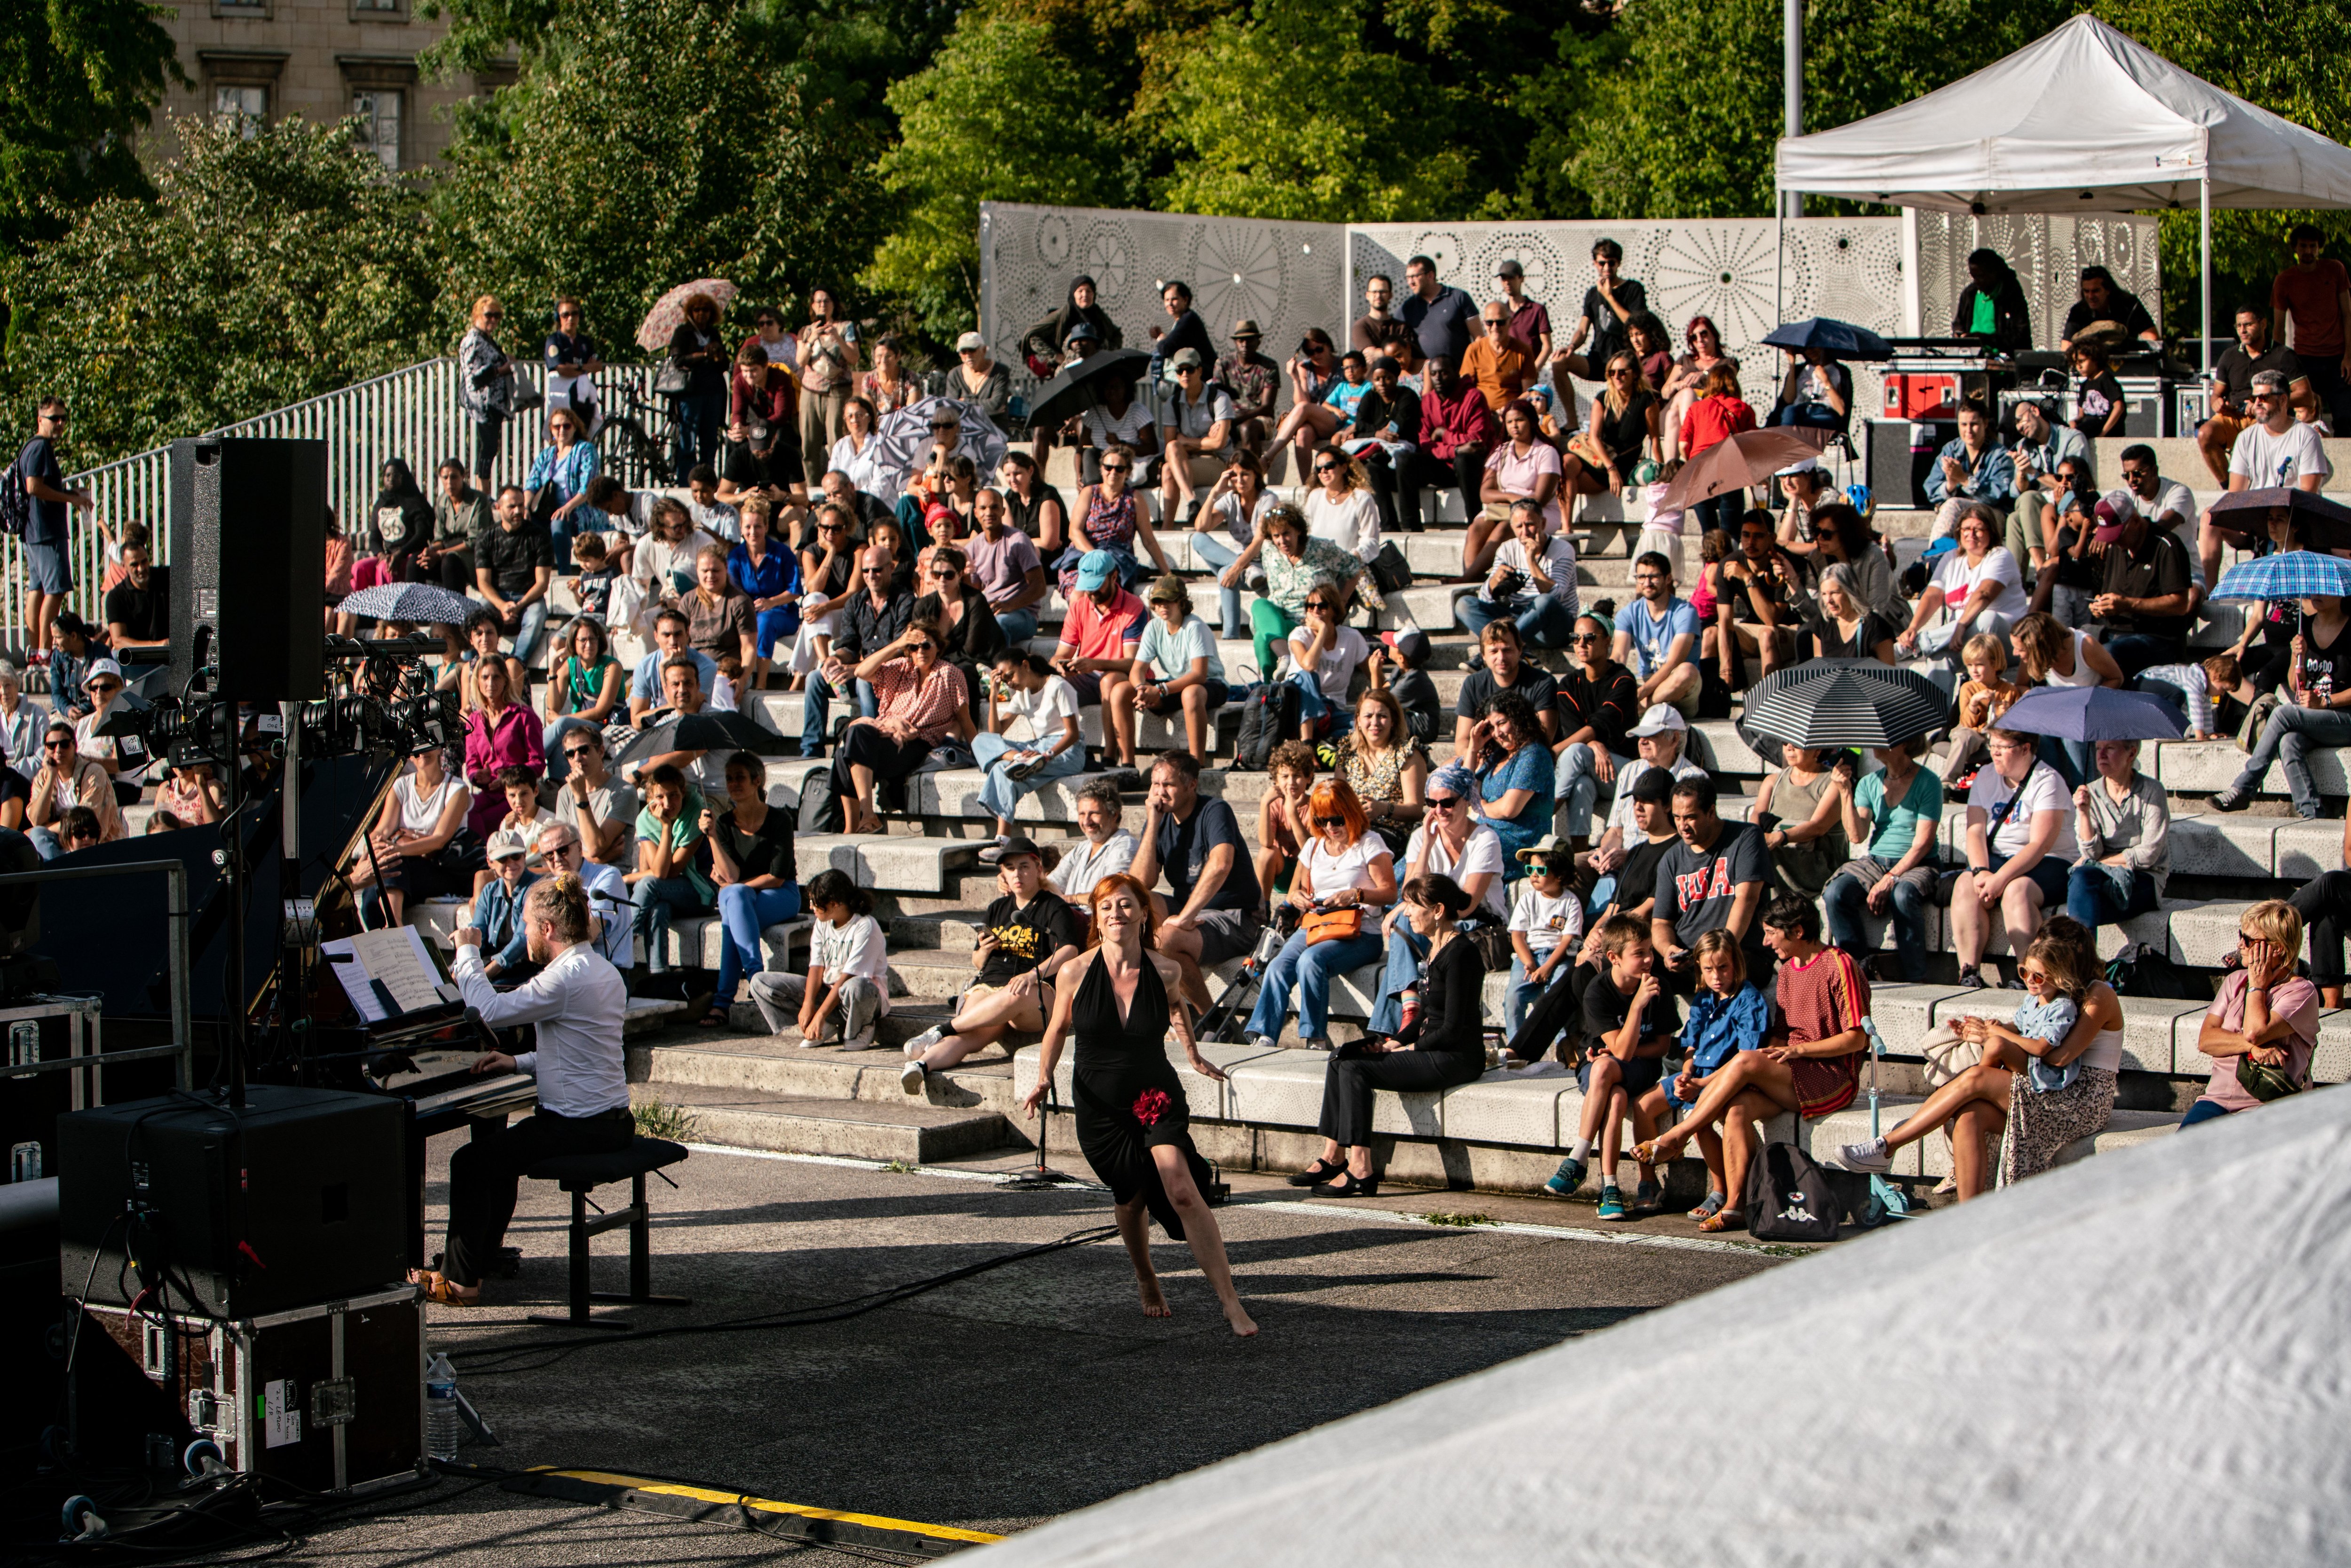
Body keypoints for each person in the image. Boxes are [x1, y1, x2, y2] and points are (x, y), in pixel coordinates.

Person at [1019, 873, 1255, 1335]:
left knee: (1181, 1186)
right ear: (1096, 916)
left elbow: (1175, 1009)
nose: (1116, 914)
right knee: (1129, 1201)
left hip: (1154, 1093)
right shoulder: (1074, 971)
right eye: (1106, 906)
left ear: (1143, 913)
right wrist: (1043, 1075)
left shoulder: (1164, 968)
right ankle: (1146, 1275)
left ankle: (1230, 1301)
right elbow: (1057, 1028)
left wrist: (1192, 1054)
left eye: (1125, 905)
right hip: (1100, 1107)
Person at [409, 875, 630, 1306]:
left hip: (578, 1127)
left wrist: (468, 948)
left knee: (470, 1161)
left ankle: (459, 1282)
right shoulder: (604, 971)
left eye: (526, 924)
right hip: (614, 1122)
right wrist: (518, 1062)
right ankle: (479, 1258)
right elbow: (580, 1055)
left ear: (547, 929)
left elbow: (487, 1009)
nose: (522, 933)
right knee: (498, 1157)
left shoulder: (563, 979)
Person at [1840, 917, 2121, 1196]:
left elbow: (2059, 1058)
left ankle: (1887, 1146)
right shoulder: (2052, 992)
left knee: (1977, 1075)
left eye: (2044, 953)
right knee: (1968, 1117)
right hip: (2046, 1088)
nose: (2036, 961)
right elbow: (2023, 1028)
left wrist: (1997, 1037)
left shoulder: (2099, 994)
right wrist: (1985, 1029)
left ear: (2066, 958)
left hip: (2080, 1101)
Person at [1630, 896, 1866, 1221]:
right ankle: (1734, 1206)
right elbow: (1782, 1033)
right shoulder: (1787, 971)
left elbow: (1858, 1037)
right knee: (1736, 1110)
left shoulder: (1839, 964)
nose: (1766, 942)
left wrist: (1796, 1051)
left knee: (1746, 1060)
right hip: (1791, 1074)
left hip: (1831, 1078)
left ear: (1797, 930)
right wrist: (1775, 1058)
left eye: (1772, 933)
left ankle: (1676, 1137)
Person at [1294, 873, 1490, 1199]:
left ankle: (1361, 1169)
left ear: (1438, 910)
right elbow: (1427, 1016)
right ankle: (1334, 1156)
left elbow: (1453, 1028)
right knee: (1342, 1057)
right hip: (1433, 1047)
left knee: (1356, 1069)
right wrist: (1395, 1041)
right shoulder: (1435, 949)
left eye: (1413, 905)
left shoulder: (1462, 954)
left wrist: (1412, 1046)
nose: (1407, 912)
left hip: (1456, 1058)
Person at [897, 835, 1082, 1092]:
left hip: (1036, 994)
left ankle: (940, 1030)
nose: (1017, 874)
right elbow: (977, 961)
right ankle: (920, 1066)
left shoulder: (1054, 906)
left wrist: (1033, 975)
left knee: (1016, 991)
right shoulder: (997, 908)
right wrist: (983, 952)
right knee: (969, 1037)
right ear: (1003, 874)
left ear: (1039, 869)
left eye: (1024, 866)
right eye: (1010, 868)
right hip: (990, 985)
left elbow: (1070, 949)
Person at [1243, 778, 1394, 1052]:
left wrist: (1356, 895)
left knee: (1311, 962)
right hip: (1317, 924)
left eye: (1336, 820)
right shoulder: (1314, 845)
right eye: (1322, 821)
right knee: (1278, 967)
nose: (1330, 828)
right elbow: (1292, 892)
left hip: (1360, 930)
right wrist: (1298, 898)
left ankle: (1315, 1038)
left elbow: (1389, 893)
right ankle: (1264, 1036)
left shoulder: (1370, 843)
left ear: (1350, 812)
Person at [1543, 914, 1677, 1214]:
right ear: (1614, 957)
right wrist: (1621, 1044)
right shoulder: (1598, 990)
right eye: (1639, 953)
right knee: (1615, 1098)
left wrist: (1639, 1007)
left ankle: (1578, 1159)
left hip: (1640, 1067)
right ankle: (1610, 1187)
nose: (1648, 960)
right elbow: (1619, 1049)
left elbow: (1658, 1047)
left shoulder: (1658, 987)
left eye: (1650, 951)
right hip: (1598, 1069)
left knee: (1607, 1067)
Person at [1362, 762, 1501, 1036]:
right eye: (1431, 803)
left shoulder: (1486, 839)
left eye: (1447, 802)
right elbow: (1410, 894)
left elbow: (1465, 906)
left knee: (1405, 918)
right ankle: (1409, 1012)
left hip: (1477, 926)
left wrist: (1407, 905)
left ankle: (1389, 1033)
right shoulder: (1421, 837)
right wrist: (1427, 844)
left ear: (1466, 801)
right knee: (1405, 919)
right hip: (1434, 923)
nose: (1439, 811)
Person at [1648, 929, 1776, 1226]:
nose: (1716, 976)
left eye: (1723, 968)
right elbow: (1691, 1046)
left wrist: (1701, 1085)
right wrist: (1687, 1073)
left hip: (1726, 1079)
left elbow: (1746, 1060)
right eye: (1708, 969)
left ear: (1737, 965)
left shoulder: (1749, 1000)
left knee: (1701, 1118)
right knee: (1645, 1104)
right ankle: (1648, 1184)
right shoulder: (1704, 999)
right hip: (1698, 1076)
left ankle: (1720, 1189)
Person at [1131, 749, 1262, 1012]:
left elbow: (1221, 865)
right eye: (1155, 785)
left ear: (1192, 784)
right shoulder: (1160, 818)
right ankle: (1150, 1011)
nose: (1160, 793)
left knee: (1165, 940)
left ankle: (1208, 1018)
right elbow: (1141, 881)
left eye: (1168, 785)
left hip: (1237, 916)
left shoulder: (1215, 810)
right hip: (1190, 909)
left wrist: (1184, 918)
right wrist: (1153, 823)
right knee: (1134, 903)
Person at [1952, 728, 2077, 988]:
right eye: (1992, 746)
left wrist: (2001, 879)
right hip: (1999, 858)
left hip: (2050, 861)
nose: (1994, 753)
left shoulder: (2048, 780)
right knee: (1965, 885)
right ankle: (1969, 972)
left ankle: (2030, 973)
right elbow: (1975, 831)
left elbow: (2040, 844)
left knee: (2016, 890)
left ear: (2025, 748)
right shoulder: (1986, 775)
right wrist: (1981, 872)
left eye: (2003, 747)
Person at [2210, 591, 2351, 817]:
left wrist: (2326, 701)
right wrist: (2299, 658)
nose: (2316, 594)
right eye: (2313, 589)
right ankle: (2312, 813)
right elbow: (2297, 687)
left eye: (2323, 590)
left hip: (2345, 717)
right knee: (2288, 742)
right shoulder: (2306, 628)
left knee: (2283, 714)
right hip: (2316, 717)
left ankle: (2244, 787)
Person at [2198, 369, 2332, 594]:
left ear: (2283, 400)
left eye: (2263, 398)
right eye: (2254, 398)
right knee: (2210, 516)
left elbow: (2308, 494)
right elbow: (2236, 495)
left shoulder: (2306, 435)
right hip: (2257, 519)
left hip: (2293, 518)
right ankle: (2210, 597)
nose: (2256, 403)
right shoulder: (2246, 438)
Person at [833, 621, 968, 836]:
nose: (921, 651)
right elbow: (861, 672)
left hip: (918, 742)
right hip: (884, 735)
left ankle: (863, 820)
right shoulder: (902, 668)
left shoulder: (950, 674)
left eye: (927, 645)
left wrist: (980, 751)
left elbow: (964, 718)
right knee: (850, 742)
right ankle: (858, 823)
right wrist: (898, 643)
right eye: (914, 647)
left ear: (938, 647)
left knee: (852, 743)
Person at [697, 750, 800, 1028]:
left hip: (782, 894)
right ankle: (756, 981)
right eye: (729, 778)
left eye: (740, 778)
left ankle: (725, 1000)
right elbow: (730, 875)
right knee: (735, 904)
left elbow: (777, 877)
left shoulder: (780, 820)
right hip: (743, 898)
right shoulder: (724, 823)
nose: (733, 784)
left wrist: (738, 890)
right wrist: (711, 838)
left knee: (734, 903)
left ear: (758, 781)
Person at [1650, 772, 1771, 992]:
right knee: (1632, 967)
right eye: (1677, 818)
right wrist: (1668, 950)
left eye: (1690, 817)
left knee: (1729, 969)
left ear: (1711, 811)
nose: (1682, 826)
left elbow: (1747, 898)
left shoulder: (1745, 837)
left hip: (1736, 954)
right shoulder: (1671, 857)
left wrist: (1722, 951)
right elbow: (1661, 923)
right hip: (1690, 958)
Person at [1221, 504, 1363, 689]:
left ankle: (1269, 687)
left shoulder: (1322, 549)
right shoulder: (1269, 549)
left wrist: (1342, 602)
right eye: (1276, 536)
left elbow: (1354, 569)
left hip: (1309, 623)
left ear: (1298, 531)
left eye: (1286, 533)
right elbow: (1255, 545)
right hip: (1278, 620)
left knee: (1262, 638)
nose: (1282, 541)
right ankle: (1284, 659)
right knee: (1260, 606)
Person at [749, 868, 890, 1048]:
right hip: (829, 994)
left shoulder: (866, 926)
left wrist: (820, 1014)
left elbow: (850, 976)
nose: (811, 907)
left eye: (815, 903)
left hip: (862, 998)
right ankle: (826, 1024)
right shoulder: (822, 923)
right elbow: (816, 967)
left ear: (834, 904)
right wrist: (809, 1005)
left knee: (858, 986)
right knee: (760, 982)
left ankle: (863, 1026)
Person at [799, 545, 913, 759]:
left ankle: (871, 743)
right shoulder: (856, 602)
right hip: (861, 669)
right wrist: (835, 660)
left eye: (877, 570)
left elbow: (900, 650)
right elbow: (850, 646)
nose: (871, 576)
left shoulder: (905, 601)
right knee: (816, 678)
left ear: (891, 568)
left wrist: (857, 669)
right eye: (866, 571)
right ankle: (811, 749)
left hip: (894, 674)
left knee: (864, 680)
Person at [1896, 506, 2028, 677]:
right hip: (1962, 640)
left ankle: (1919, 644)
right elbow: (1933, 595)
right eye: (1966, 529)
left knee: (1988, 618)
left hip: (2006, 645)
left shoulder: (2000, 555)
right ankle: (1935, 703)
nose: (1971, 534)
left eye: (1978, 529)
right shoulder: (1951, 557)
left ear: (1991, 532)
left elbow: (1984, 595)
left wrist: (1961, 625)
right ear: (1959, 532)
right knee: (1940, 655)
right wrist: (1913, 628)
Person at [348, 747, 473, 924]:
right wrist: (372, 849)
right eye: (417, 748)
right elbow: (382, 830)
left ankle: (394, 924)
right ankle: (391, 926)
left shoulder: (457, 788)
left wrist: (398, 848)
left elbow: (439, 840)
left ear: (440, 749)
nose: (422, 752)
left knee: (391, 865)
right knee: (378, 880)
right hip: (409, 867)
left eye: (428, 746)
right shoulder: (401, 785)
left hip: (442, 868)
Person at [974, 651, 1083, 849]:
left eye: (1010, 676)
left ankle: (1002, 840)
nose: (1009, 683)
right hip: (1036, 748)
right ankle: (1019, 759)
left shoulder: (1058, 686)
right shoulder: (1021, 694)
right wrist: (993, 696)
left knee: (1001, 770)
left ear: (1026, 665)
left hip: (1066, 750)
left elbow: (1073, 734)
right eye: (1004, 680)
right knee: (981, 740)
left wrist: (1047, 755)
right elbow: (995, 734)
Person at [2199, 303, 2312, 489]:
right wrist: (2217, 403)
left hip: (2267, 417)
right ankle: (2230, 489)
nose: (2243, 330)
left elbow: (2306, 396)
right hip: (2234, 415)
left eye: (2248, 324)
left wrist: (2269, 402)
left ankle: (2253, 489)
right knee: (2206, 433)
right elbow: (2216, 396)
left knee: (2257, 435)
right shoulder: (2229, 356)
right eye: (2239, 326)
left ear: (2263, 324)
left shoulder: (2283, 355)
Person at [1120, 575, 1226, 764]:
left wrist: (1161, 690)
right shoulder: (1153, 627)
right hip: (1175, 685)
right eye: (1158, 601)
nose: (1163, 606)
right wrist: (1141, 689)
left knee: (1191, 694)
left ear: (1181, 602)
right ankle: (1127, 764)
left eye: (1169, 601)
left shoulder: (1195, 627)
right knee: (1121, 690)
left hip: (1211, 685)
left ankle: (1197, 764)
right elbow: (1137, 669)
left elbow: (1199, 675)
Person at [1553, 615, 1638, 847]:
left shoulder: (1624, 680)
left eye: (1589, 638)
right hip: (1591, 769)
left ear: (1607, 641)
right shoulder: (1568, 684)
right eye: (1575, 638)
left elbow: (1602, 723)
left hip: (1624, 774)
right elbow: (1575, 731)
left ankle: (1545, 811)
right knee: (1581, 785)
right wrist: (1594, 744)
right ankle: (1580, 854)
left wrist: (1554, 752)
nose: (1581, 644)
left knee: (1575, 752)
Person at [17, 398, 91, 663]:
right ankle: (45, 651)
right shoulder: (40, 449)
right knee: (56, 589)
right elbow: (33, 487)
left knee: (37, 589)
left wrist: (71, 493)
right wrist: (72, 500)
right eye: (54, 419)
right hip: (46, 531)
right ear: (40, 420)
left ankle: (36, 651)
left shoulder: (31, 447)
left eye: (63, 418)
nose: (59, 424)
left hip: (34, 532)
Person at [625, 762, 713, 977]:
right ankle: (659, 975)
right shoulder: (645, 819)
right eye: (660, 797)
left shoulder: (696, 811)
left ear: (683, 792)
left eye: (673, 796)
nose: (667, 804)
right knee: (658, 909)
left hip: (701, 892)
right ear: (650, 800)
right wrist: (664, 827)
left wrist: (666, 828)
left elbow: (667, 873)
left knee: (649, 884)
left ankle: (625, 942)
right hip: (667, 892)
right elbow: (658, 869)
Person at [1468, 401, 1566, 577]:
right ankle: (1471, 574)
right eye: (1509, 422)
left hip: (1540, 512)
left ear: (1531, 421)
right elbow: (1485, 493)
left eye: (1519, 420)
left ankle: (1468, 577)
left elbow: (1540, 500)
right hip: (1507, 507)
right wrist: (1511, 497)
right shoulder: (1501, 451)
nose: (1514, 426)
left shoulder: (1546, 452)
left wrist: (1512, 502)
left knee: (1506, 527)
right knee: (1477, 526)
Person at [2273, 222, 2351, 433]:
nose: (2308, 251)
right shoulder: (2285, 280)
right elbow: (2279, 327)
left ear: (2319, 248)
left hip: (2337, 356)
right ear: (2295, 248)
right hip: (2305, 357)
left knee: (2345, 417)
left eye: (2313, 246)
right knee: (2304, 417)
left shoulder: (2335, 269)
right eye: (2303, 246)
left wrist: (2349, 356)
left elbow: (2348, 314)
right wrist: (2277, 365)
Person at [1330, 687, 1427, 855]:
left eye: (1382, 716)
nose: (1375, 723)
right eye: (1368, 716)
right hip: (1352, 830)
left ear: (1393, 721)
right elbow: (1339, 803)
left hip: (1391, 833)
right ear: (1358, 720)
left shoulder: (1406, 754)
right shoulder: (1347, 754)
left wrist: (1383, 809)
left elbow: (1416, 810)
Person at [1464, 690, 1553, 869]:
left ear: (1519, 720)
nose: (1497, 733)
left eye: (1502, 723)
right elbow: (1465, 789)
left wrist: (1480, 806)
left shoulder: (1534, 754)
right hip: (1487, 832)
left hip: (1519, 841)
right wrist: (1473, 750)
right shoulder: (1497, 756)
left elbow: (1508, 809)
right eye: (1491, 728)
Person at [1504, 838, 1583, 1038]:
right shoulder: (1527, 899)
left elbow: (1567, 941)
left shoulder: (1571, 902)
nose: (1534, 875)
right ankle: (1516, 1047)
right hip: (1528, 955)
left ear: (1560, 875)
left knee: (1557, 997)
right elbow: (1518, 936)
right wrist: (1529, 962)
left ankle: (1562, 1047)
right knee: (1513, 998)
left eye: (1542, 870)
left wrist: (1547, 968)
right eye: (1530, 869)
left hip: (1559, 957)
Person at [1755, 745, 1853, 901]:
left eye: (1797, 745)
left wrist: (1780, 837)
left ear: (1818, 751)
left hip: (1816, 869)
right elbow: (1757, 816)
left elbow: (1818, 827)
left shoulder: (1833, 782)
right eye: (1786, 743)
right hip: (1778, 864)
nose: (1790, 748)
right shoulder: (1773, 781)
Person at [2005, 399, 2091, 574]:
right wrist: (2022, 473)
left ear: (2035, 412)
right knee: (2015, 518)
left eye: (2021, 420)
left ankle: (2040, 569)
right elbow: (2018, 491)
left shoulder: (2072, 438)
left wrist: (2035, 473)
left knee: (2026, 503)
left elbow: (2076, 484)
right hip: (2038, 508)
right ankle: (2015, 585)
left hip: (2069, 505)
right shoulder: (2023, 446)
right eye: (2016, 425)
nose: (2020, 427)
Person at [1613, 552, 1702, 717]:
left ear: (1668, 579)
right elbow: (1618, 658)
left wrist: (1640, 695)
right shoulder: (1628, 613)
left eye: (1654, 577)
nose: (1647, 583)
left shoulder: (1685, 612)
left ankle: (1640, 710)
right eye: (1642, 577)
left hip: (1679, 689)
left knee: (1687, 672)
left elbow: (1673, 664)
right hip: (1646, 680)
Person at [462, 657, 542, 840]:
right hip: (489, 792)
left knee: (483, 820)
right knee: (464, 811)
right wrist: (478, 776)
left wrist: (507, 777)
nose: (491, 683)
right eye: (485, 677)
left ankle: (488, 857)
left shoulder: (524, 715)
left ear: (506, 681)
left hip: (517, 793)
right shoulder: (474, 721)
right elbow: (472, 764)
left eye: (496, 677)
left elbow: (538, 762)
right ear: (478, 682)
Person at [473, 484, 555, 664]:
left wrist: (518, 607)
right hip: (497, 597)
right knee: (475, 614)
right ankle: (472, 664)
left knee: (536, 616)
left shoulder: (540, 537)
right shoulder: (486, 538)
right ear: (498, 508)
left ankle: (515, 666)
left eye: (521, 505)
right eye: (512, 507)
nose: (518, 511)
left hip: (528, 598)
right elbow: (483, 583)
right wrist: (502, 605)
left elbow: (542, 583)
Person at [1674, 363, 1758, 537]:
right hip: (1730, 469)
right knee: (1731, 532)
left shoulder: (1696, 408)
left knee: (1709, 534)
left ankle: (1711, 561)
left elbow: (1683, 445)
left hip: (1701, 470)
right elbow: (1751, 445)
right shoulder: (1743, 408)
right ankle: (1728, 563)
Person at [536, 820, 633, 969]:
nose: (557, 859)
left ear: (579, 847)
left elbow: (589, 935)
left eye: (563, 850)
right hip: (568, 970)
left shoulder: (606, 876)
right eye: (549, 855)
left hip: (607, 971)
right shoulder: (552, 886)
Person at [1284, 579, 1371, 742]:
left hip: (1333, 709)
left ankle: (1326, 741)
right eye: (1310, 607)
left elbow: (1372, 674)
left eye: (1322, 606)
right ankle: (1308, 744)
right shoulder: (1299, 635)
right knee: (1307, 676)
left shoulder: (1352, 638)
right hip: (1299, 708)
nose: (1316, 611)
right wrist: (1323, 630)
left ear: (1334, 610)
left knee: (1362, 729)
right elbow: (1309, 665)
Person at [962, 488, 1048, 650]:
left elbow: (1040, 587)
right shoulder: (973, 546)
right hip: (990, 612)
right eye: (983, 508)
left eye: (994, 507)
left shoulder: (1018, 541)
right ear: (976, 513)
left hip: (1022, 614)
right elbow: (975, 590)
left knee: (998, 625)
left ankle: (997, 670)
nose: (989, 512)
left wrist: (1009, 605)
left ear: (1003, 511)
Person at [26, 719, 119, 859]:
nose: (58, 750)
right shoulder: (43, 777)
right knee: (38, 835)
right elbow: (37, 820)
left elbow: (85, 822)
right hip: (62, 843)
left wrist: (47, 828)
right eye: (52, 746)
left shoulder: (93, 773)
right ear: (45, 749)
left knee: (39, 832)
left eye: (64, 745)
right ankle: (55, 876)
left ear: (74, 746)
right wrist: (51, 777)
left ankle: (58, 875)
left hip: (92, 842)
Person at [1925, 403, 2015, 543]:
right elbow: (1931, 490)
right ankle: (1939, 556)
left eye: (1974, 424)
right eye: (1964, 424)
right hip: (1958, 515)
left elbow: (1996, 496)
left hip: (1992, 515)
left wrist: (1965, 480)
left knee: (1953, 505)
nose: (1969, 430)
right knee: (1952, 507)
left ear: (1985, 423)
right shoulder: (1951, 450)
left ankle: (1933, 557)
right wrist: (1950, 485)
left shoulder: (2001, 456)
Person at [550, 725, 635, 867]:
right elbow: (562, 850)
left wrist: (581, 796)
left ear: (601, 751)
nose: (577, 758)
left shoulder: (624, 791)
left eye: (584, 750)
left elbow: (595, 847)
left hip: (611, 876)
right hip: (575, 877)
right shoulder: (565, 793)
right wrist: (598, 859)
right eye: (570, 753)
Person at [1562, 238, 1646, 379]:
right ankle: (1569, 403)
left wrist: (1609, 296)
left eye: (1611, 263)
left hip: (1626, 359)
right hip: (1599, 358)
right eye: (1602, 263)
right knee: (1560, 361)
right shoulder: (1592, 293)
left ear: (1619, 263)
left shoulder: (1633, 289)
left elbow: (1635, 324)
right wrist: (1572, 346)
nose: (1607, 267)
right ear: (1595, 263)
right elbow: (1583, 330)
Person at [1047, 778, 1138, 906]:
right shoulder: (1081, 849)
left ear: (1114, 815)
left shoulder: (1125, 846)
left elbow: (1111, 893)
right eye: (1082, 814)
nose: (1087, 822)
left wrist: (1071, 899)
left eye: (1094, 814)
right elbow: (1052, 884)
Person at [458, 298, 517, 492]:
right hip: (483, 405)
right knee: (488, 449)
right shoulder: (474, 340)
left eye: (497, 316)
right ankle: (481, 492)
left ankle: (483, 491)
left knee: (491, 449)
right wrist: (501, 370)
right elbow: (473, 378)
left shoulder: (486, 339)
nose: (493, 319)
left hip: (493, 404)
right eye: (488, 315)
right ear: (477, 315)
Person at [470, 831, 542, 980]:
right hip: (493, 964)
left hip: (525, 968)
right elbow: (478, 933)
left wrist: (484, 975)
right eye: (503, 859)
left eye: (516, 856)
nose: (510, 864)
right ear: (490, 862)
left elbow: (522, 940)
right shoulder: (489, 891)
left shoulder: (537, 888)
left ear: (525, 855)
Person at [1793, 563, 1898, 664]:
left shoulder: (1875, 626)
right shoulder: (1821, 625)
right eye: (1824, 594)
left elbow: (1889, 672)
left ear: (1850, 592)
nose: (1829, 600)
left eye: (1834, 593)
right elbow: (1821, 670)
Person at [1255, 741, 1317, 906]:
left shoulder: (1315, 806)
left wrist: (1292, 812)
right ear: (1276, 779)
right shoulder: (1274, 804)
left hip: (1307, 874)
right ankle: (1261, 908)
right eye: (1285, 776)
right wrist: (1265, 804)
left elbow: (1310, 850)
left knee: (1306, 859)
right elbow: (1266, 842)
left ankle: (1290, 910)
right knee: (1265, 853)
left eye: (1297, 775)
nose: (1291, 782)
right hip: (1281, 871)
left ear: (1308, 777)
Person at [1303, 442, 1383, 563]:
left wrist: (1354, 557)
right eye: (1319, 469)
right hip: (1319, 568)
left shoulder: (1361, 497)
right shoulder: (1315, 496)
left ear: (1344, 468)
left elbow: (1370, 540)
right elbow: (1306, 533)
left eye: (1329, 466)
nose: (1324, 471)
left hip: (1351, 569)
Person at [1399, 254, 1478, 373]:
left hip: (1461, 374)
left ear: (1431, 275)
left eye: (1415, 276)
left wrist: (1474, 369)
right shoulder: (1408, 307)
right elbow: (1394, 338)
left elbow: (1479, 338)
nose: (1411, 282)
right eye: (1408, 277)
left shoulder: (1458, 297)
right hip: (1428, 379)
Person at [1212, 319, 1279, 457]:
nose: (1245, 344)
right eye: (1241, 341)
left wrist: (1235, 420)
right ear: (1235, 343)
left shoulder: (1269, 366)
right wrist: (1225, 420)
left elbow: (1267, 407)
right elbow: (1216, 396)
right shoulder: (1223, 364)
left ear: (1258, 342)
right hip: (1229, 418)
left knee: (1247, 428)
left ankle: (1254, 474)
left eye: (1250, 340)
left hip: (1260, 420)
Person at [1949, 247, 2033, 353]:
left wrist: (1985, 339)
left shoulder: (2010, 294)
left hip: (2002, 359)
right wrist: (1959, 333)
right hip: (1973, 358)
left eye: (1981, 276)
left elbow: (2021, 335)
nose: (1977, 281)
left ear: (1994, 273)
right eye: (1973, 276)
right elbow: (1958, 322)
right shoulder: (1970, 294)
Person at [542, 297, 606, 436]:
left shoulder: (585, 341)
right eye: (566, 315)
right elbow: (561, 369)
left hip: (584, 402)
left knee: (584, 438)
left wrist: (577, 368)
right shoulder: (554, 340)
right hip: (563, 400)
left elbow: (598, 366)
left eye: (575, 314)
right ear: (558, 318)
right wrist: (584, 368)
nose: (570, 318)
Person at [101, 540, 168, 669]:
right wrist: (157, 645)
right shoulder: (116, 597)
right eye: (134, 564)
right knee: (117, 656)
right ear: (124, 566)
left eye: (144, 562)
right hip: (142, 657)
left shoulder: (167, 577)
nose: (141, 568)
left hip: (173, 652)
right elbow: (118, 640)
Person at [425, 458, 490, 591]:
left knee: (450, 562)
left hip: (474, 554)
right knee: (417, 562)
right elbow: (440, 538)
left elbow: (475, 541)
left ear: (463, 477)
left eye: (454, 477)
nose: (450, 482)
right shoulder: (442, 501)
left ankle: (457, 609)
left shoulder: (478, 501)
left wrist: (441, 554)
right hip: (448, 551)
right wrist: (431, 551)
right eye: (445, 478)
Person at [2061, 265, 2159, 349]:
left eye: (2096, 291)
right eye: (2087, 291)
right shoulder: (2078, 311)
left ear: (2108, 290)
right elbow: (2066, 347)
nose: (2091, 297)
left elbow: (2153, 339)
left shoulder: (2129, 304)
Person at [1460, 301, 1534, 413]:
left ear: (1510, 322)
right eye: (1490, 323)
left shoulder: (1523, 351)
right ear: (1484, 324)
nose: (1495, 327)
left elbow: (1528, 392)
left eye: (1500, 322)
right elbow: (1466, 389)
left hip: (1512, 413)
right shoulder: (1474, 350)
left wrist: (1509, 409)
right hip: (1481, 412)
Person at [1149, 280, 1215, 387]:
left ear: (1185, 300)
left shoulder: (1188, 320)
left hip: (1198, 382)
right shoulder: (1183, 320)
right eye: (1167, 300)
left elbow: (1165, 349)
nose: (1170, 304)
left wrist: (1161, 339)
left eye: (1174, 299)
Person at [1770, 345, 1851, 432]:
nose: (1810, 351)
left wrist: (1826, 381)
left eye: (1814, 347)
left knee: (1803, 426)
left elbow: (1841, 411)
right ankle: (1788, 441)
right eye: (1805, 348)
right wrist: (1792, 364)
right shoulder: (1799, 370)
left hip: (1824, 412)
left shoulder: (1840, 372)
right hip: (1799, 410)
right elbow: (1788, 400)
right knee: (1789, 411)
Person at [826, 396, 888, 501]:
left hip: (874, 505)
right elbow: (832, 480)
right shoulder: (840, 446)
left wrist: (851, 495)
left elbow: (881, 489)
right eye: (850, 416)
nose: (854, 420)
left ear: (869, 418)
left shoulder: (881, 446)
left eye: (859, 415)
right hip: (844, 503)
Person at [1351, 273, 1415, 367]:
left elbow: (1406, 356)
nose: (1378, 296)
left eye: (1383, 292)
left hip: (1399, 379)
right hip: (1372, 380)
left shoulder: (1402, 327)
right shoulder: (1360, 326)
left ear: (1390, 295)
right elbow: (1371, 356)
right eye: (1374, 292)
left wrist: (1380, 354)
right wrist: (1396, 353)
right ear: (1367, 295)